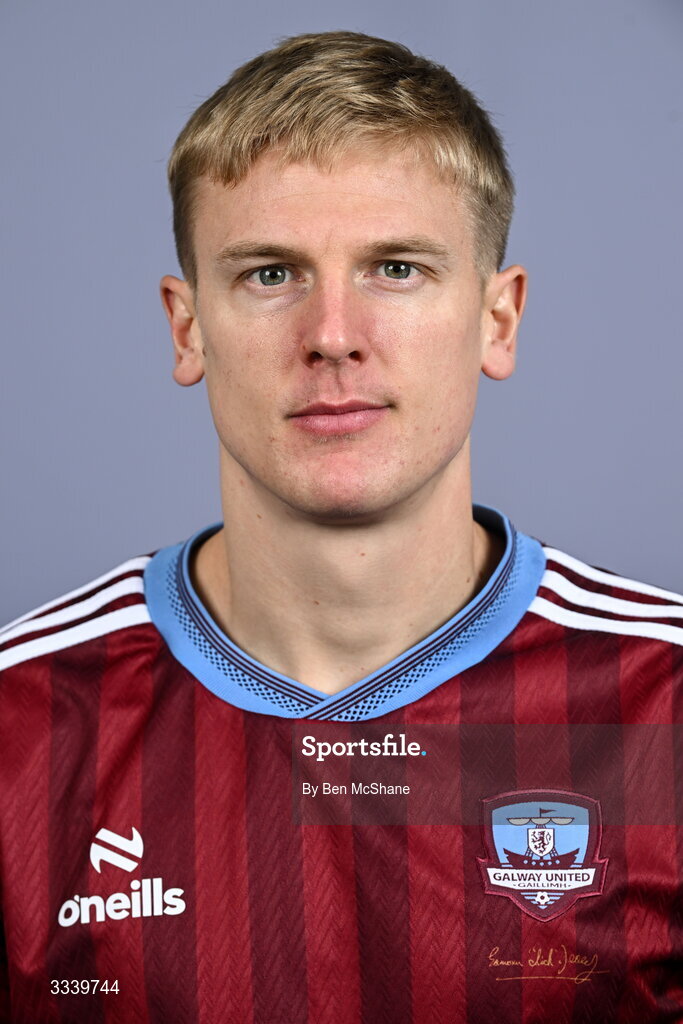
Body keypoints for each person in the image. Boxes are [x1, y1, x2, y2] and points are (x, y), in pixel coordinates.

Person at [0, 29, 681, 1024]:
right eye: (269, 273)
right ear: (186, 327)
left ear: (498, 319)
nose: (330, 335)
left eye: (395, 268)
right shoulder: (21, 723)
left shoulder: (662, 699)